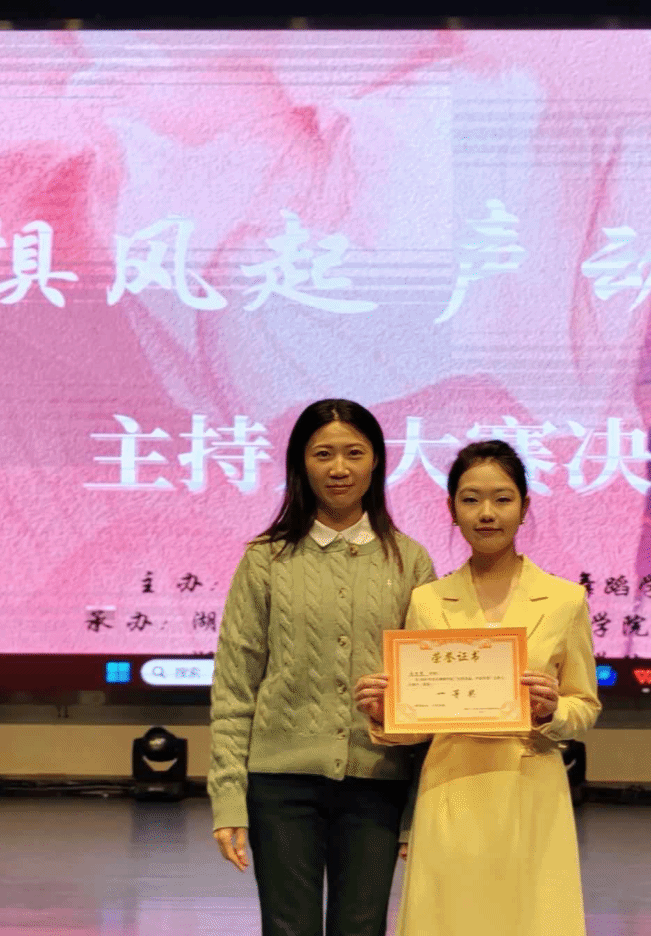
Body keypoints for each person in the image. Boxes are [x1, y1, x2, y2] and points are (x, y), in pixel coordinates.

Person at [208, 398, 437, 936]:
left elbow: (427, 696)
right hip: (280, 785)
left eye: (354, 453)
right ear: (301, 463)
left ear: (377, 461)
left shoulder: (411, 561)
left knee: (363, 927)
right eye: (323, 454)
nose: (339, 468)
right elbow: (235, 686)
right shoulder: (265, 559)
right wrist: (228, 798)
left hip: (377, 782)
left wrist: (414, 812)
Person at [355, 439, 601, 936]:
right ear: (452, 509)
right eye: (471, 500)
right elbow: (417, 725)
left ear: (524, 507)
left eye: (502, 499)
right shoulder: (428, 601)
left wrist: (552, 711)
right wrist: (384, 714)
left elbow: (584, 705)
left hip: (531, 790)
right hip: (451, 788)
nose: (486, 513)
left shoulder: (564, 600)